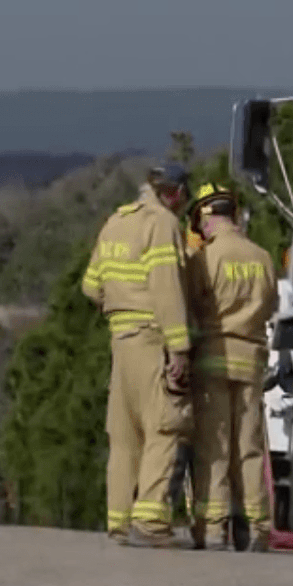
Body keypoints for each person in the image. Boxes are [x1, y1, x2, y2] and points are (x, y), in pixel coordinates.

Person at [81, 162, 195, 549]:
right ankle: (149, 520)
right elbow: (166, 289)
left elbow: (90, 286)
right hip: (150, 337)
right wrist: (179, 347)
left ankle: (118, 520)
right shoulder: (161, 224)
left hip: (120, 338)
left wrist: (118, 304)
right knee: (164, 425)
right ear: (176, 193)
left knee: (124, 433)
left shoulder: (116, 221)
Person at [183, 182, 278, 552]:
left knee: (214, 447)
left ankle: (212, 528)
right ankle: (257, 528)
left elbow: (189, 307)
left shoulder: (205, 259)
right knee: (249, 447)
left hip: (213, 359)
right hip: (252, 361)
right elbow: (270, 307)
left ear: (207, 218)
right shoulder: (262, 257)